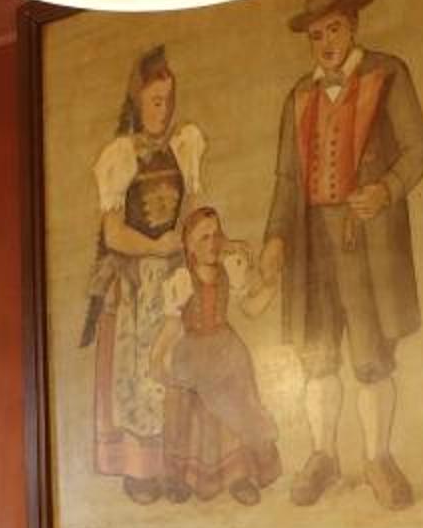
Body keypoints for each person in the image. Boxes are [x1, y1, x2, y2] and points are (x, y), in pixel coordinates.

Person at [256, 0, 423, 509]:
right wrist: (275, 238)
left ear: (353, 25)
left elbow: (419, 150)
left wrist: (386, 189)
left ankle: (377, 458)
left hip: (367, 239)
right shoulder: (299, 96)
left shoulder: (388, 73)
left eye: (333, 29)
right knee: (318, 355)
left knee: (372, 355)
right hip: (312, 242)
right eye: (316, 35)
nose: (326, 43)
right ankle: (323, 456)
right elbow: (287, 179)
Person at [82, 47, 204, 504]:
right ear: (137, 101)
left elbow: (191, 209)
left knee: (178, 367)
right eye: (155, 101)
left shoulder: (184, 147)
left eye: (169, 100)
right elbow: (113, 233)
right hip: (138, 278)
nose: (164, 110)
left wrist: (188, 243)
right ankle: (141, 470)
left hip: (175, 276)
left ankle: (178, 465)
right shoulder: (120, 155)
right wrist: (155, 247)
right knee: (141, 372)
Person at [147, 207, 283, 504]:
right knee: (184, 407)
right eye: (204, 238)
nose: (212, 243)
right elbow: (171, 326)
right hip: (192, 351)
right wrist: (156, 358)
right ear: (190, 246)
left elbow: (250, 309)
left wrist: (272, 286)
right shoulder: (182, 279)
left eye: (216, 235)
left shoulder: (229, 270)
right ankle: (182, 477)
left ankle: (239, 476)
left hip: (226, 351)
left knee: (237, 407)